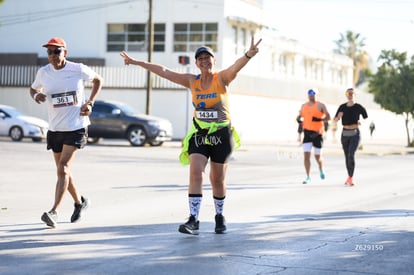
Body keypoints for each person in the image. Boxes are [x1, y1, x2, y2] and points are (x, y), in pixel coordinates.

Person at [120, 36, 262, 235]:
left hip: (221, 134)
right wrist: (136, 62)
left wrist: (248, 55)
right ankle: (193, 219)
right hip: (200, 133)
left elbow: (235, 67)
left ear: (214, 60)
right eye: (200, 58)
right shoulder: (191, 80)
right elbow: (163, 71)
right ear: (196, 63)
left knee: (217, 179)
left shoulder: (221, 78)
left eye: (208, 58)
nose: (204, 61)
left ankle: (219, 216)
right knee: (195, 173)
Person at [30, 37, 103, 227]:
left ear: (65, 53)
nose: (53, 55)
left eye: (57, 51)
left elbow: (98, 80)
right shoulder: (43, 72)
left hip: (76, 126)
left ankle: (54, 212)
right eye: (49, 52)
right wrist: (37, 94)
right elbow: (33, 88)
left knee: (63, 168)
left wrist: (90, 103)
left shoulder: (77, 69)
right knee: (63, 171)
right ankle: (80, 202)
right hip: (55, 128)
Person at [333, 88, 368, 186]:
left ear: (355, 95)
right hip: (345, 133)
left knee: (351, 154)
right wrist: (337, 117)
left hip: (355, 133)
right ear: (346, 95)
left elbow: (366, 118)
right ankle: (349, 177)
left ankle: (351, 177)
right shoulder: (342, 107)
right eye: (348, 93)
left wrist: (361, 122)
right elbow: (335, 120)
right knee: (346, 156)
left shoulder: (359, 107)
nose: (350, 95)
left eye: (352, 93)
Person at [297, 88, 331, 184]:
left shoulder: (321, 105)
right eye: (310, 94)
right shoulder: (304, 106)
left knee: (317, 157)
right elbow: (300, 116)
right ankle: (308, 176)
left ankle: (321, 169)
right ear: (308, 95)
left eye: (314, 94)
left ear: (317, 95)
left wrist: (319, 120)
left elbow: (328, 117)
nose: (312, 96)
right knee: (306, 156)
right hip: (307, 133)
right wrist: (298, 118)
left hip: (318, 134)